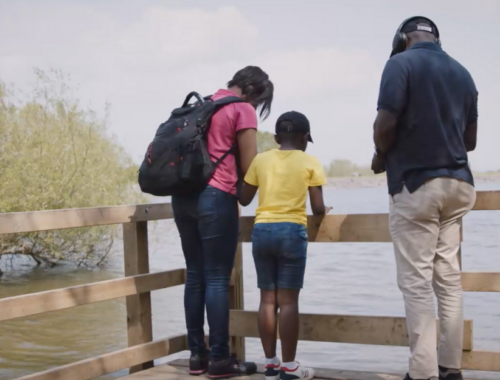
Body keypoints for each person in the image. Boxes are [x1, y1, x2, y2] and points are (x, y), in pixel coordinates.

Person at [372, 16, 478, 380]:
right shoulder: (463, 73)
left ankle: (422, 373)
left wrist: (380, 154)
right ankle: (451, 368)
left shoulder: (398, 64)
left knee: (416, 282)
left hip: (417, 185)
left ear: (403, 39)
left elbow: (384, 127)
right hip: (459, 185)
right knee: (448, 279)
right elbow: (470, 142)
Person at [172, 66, 274, 379]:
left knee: (195, 276)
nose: (256, 108)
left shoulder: (202, 103)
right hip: (216, 198)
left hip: (182, 198)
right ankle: (219, 360)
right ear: (254, 92)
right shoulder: (241, 110)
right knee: (217, 279)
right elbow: (250, 165)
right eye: (260, 102)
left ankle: (196, 357)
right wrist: (245, 197)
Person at [239, 111, 330, 380]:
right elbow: (317, 208)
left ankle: (270, 364)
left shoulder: (261, 160)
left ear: (277, 137)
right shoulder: (310, 161)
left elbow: (244, 199)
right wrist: (326, 208)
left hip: (262, 231)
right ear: (304, 138)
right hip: (291, 232)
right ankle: (290, 367)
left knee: (267, 300)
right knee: (288, 303)